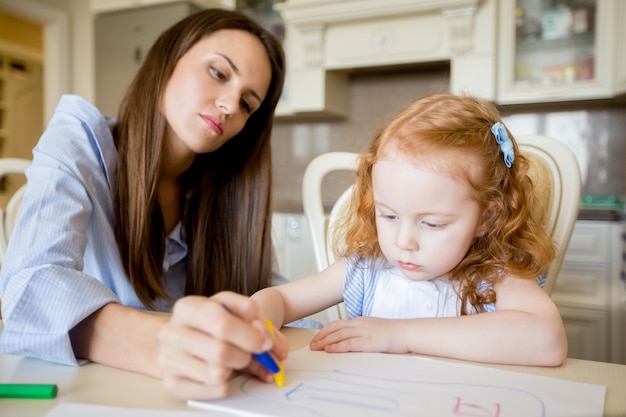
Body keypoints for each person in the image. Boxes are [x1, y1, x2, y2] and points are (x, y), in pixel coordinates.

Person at [0, 8, 288, 400]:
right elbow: (28, 286)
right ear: (168, 59)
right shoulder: (80, 139)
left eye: (247, 104)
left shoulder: (228, 197)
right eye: (219, 73)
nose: (229, 105)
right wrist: (161, 341)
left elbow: (269, 290)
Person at [252, 93, 568, 367]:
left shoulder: (497, 276)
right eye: (388, 216)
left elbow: (548, 341)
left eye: (432, 224)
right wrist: (258, 321)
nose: (404, 242)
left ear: (486, 218)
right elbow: (280, 298)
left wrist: (400, 334)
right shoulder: (368, 268)